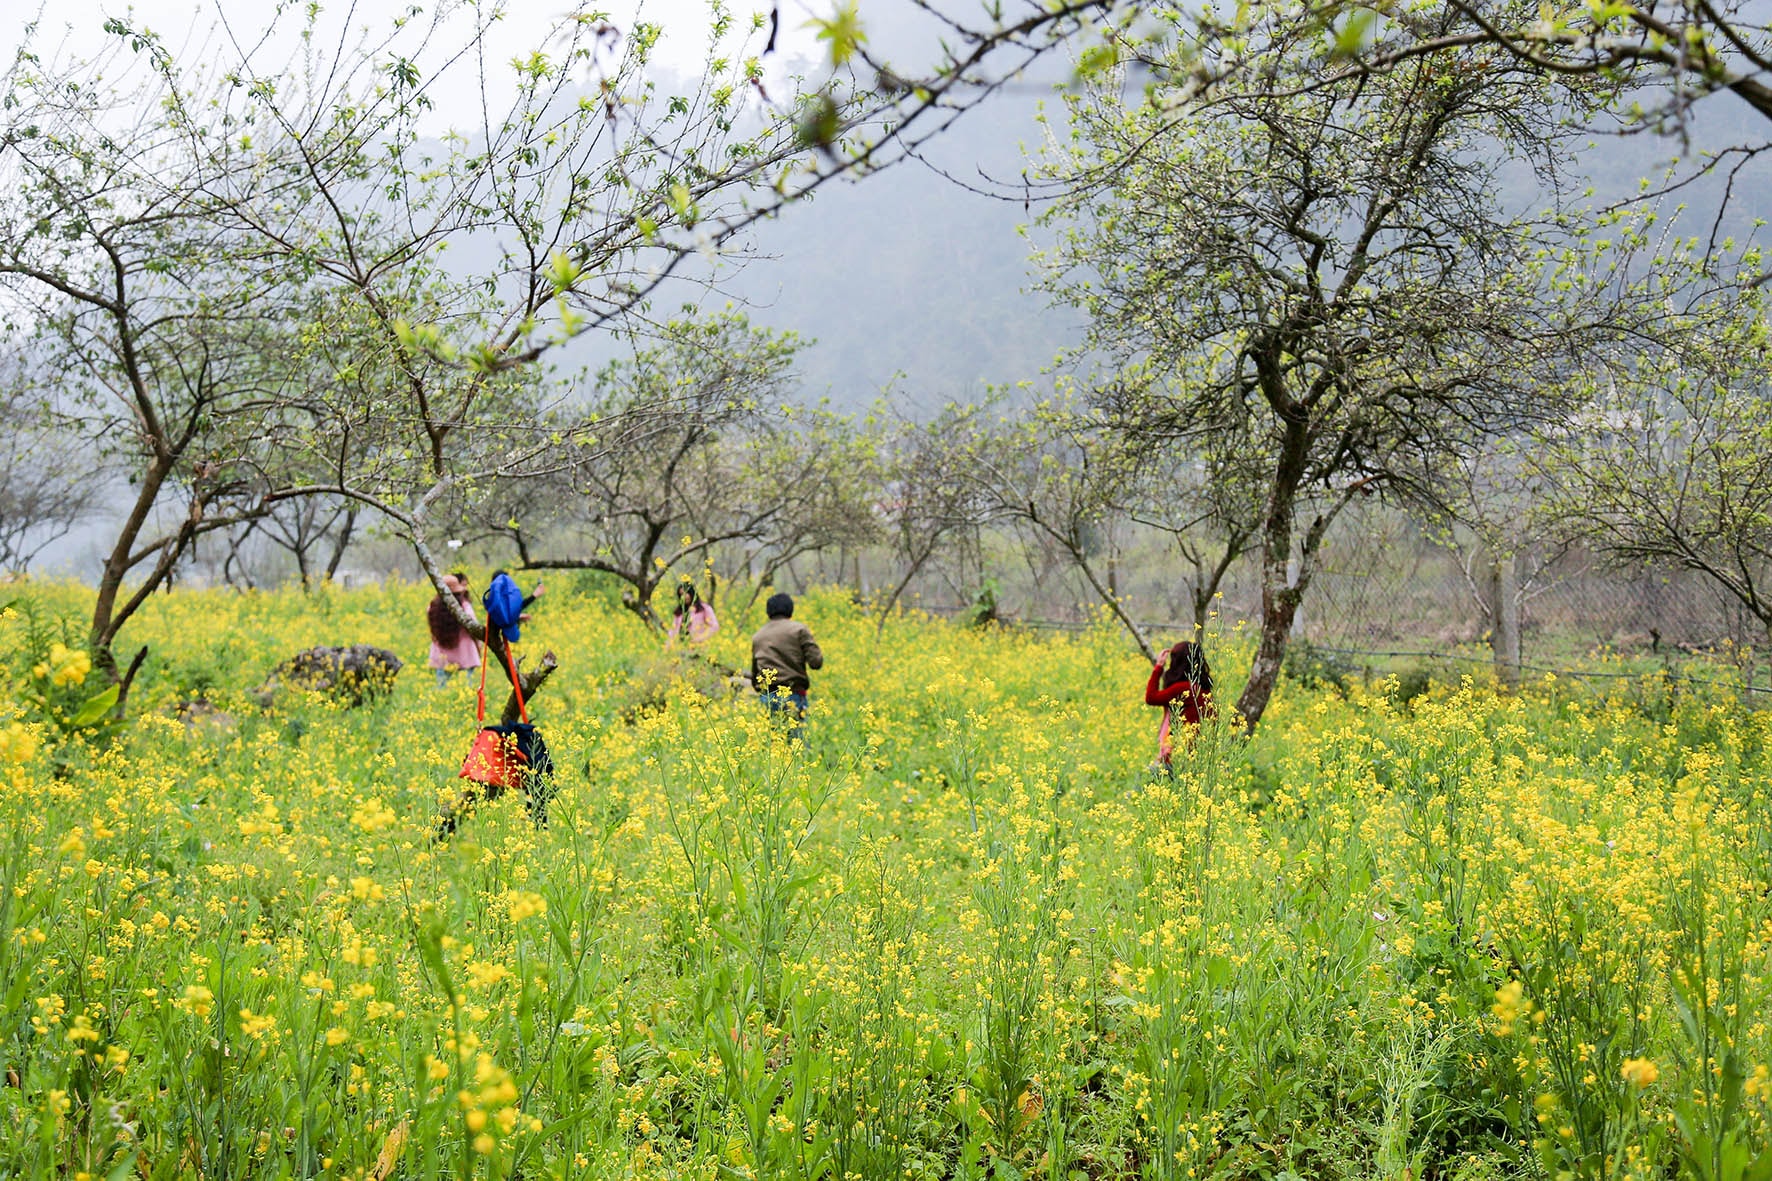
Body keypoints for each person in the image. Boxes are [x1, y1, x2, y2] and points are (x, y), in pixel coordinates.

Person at [750, 592, 823, 738]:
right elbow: (816, 662)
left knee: (772, 748)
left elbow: (755, 674)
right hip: (793, 694)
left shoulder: (758, 636)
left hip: (767, 697)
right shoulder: (799, 630)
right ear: (790, 610)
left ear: (768, 612)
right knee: (796, 746)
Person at [1144, 640, 1214, 772]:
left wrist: (1159, 667)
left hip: (1178, 755)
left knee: (1142, 785)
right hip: (1200, 756)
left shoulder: (1182, 689)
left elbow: (1151, 698)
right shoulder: (1205, 691)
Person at [427, 574, 481, 687]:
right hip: (465, 653)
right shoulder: (464, 607)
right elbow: (474, 628)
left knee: (442, 688)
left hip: (443, 655)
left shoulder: (432, 608)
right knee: (467, 688)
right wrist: (478, 646)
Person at [667, 581, 720, 647]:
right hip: (681, 648)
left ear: (692, 593)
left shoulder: (704, 608)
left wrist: (700, 638)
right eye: (681, 594)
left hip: (699, 648)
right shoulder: (679, 611)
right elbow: (673, 630)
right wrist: (668, 646)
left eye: (686, 593)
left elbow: (714, 626)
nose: (684, 597)